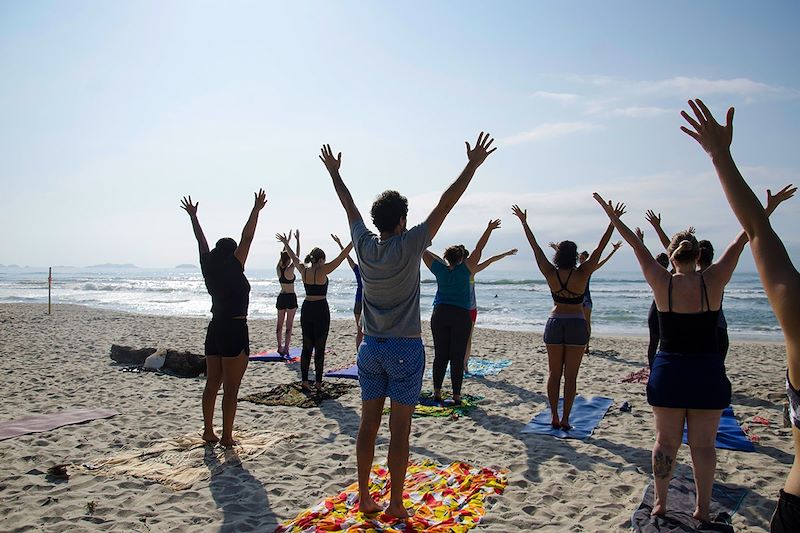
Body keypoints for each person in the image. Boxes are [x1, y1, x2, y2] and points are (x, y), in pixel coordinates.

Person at [320, 133, 496, 518]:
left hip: (369, 349)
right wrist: (472, 165)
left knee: (368, 426)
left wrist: (335, 173)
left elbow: (347, 205)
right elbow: (446, 204)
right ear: (402, 220)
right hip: (404, 349)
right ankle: (396, 503)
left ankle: (366, 497)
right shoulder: (411, 243)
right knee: (400, 430)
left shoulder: (364, 245)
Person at [594, 183, 758, 523]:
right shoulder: (712, 281)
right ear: (698, 256)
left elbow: (636, 246)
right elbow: (742, 239)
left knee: (665, 442)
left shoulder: (662, 281)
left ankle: (661, 504)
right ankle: (701, 508)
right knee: (703, 447)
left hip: (669, 371)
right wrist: (764, 211)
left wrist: (613, 218)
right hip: (707, 371)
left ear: (670, 257)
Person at [678, 97, 800, 531]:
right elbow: (749, 234)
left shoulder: (799, 320)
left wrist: (720, 155)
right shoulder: (711, 275)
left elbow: (754, 233)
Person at [512, 203, 621, 430]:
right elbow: (600, 248)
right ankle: (565, 419)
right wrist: (612, 221)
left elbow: (535, 248)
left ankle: (553, 415)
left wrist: (524, 222)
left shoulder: (550, 272)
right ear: (575, 256)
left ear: (558, 255)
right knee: (570, 377)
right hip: (576, 324)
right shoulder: (582, 272)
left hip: (555, 323)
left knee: (554, 374)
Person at [180, 190, 267, 448]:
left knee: (212, 384)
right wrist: (256, 209)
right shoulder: (234, 264)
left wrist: (194, 217)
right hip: (234, 328)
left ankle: (209, 431)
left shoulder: (208, 265)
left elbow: (201, 241)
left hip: (215, 327)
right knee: (231, 389)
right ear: (232, 254)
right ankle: (227, 437)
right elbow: (247, 237)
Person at [423, 219, 501, 403]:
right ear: (461, 258)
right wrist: (488, 229)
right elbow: (478, 249)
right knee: (457, 356)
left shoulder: (439, 270)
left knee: (441, 355)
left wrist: (410, 236)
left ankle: (437, 392)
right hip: (460, 315)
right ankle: (456, 395)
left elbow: (422, 251)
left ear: (447, 258)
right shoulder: (466, 269)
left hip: (440, 313)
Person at [276, 234, 353, 392]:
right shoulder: (323, 269)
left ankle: (305, 381)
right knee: (320, 347)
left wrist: (285, 242)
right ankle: (318, 383)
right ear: (320, 260)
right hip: (320, 309)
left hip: (307, 308)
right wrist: (353, 241)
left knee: (307, 346)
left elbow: (293, 255)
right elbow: (342, 257)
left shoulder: (303, 269)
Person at [464, 247, 517, 373]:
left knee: (461, 338)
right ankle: (464, 365)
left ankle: (463, 364)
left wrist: (506, 253)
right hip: (469, 309)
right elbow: (491, 260)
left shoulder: (454, 270)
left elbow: (491, 260)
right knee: (467, 339)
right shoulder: (471, 270)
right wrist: (506, 253)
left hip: (461, 309)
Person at [578, 242, 621, 354]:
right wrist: (557, 249)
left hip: (586, 298)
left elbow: (603, 261)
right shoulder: (575, 269)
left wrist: (613, 251)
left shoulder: (589, 269)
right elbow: (565, 262)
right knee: (579, 322)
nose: (581, 260)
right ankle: (581, 345)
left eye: (583, 258)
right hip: (578, 298)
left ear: (586, 259)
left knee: (587, 323)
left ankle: (586, 346)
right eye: (580, 258)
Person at [332, 233, 364, 353]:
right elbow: (347, 257)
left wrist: (340, 243)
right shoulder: (370, 271)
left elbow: (346, 257)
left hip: (359, 301)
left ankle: (359, 355)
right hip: (364, 302)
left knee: (360, 331)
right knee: (364, 332)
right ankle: (360, 355)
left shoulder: (358, 269)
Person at [276, 229, 300, 355]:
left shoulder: (278, 269)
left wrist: (286, 242)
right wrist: (297, 241)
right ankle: (286, 348)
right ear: (288, 260)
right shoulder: (290, 270)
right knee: (288, 326)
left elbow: (283, 256)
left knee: (279, 325)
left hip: (281, 296)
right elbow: (297, 256)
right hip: (290, 297)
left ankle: (280, 346)